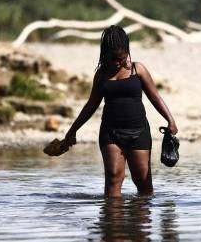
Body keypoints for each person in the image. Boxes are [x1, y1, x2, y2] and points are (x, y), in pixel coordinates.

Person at [63, 25, 178, 197]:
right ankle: (111, 222)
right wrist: (72, 131)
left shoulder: (138, 69)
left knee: (143, 181)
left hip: (139, 132)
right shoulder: (101, 75)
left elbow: (155, 97)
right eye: (114, 59)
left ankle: (139, 222)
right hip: (111, 133)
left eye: (122, 58)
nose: (118, 63)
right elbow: (91, 105)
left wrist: (171, 120)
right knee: (113, 178)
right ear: (105, 53)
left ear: (127, 52)